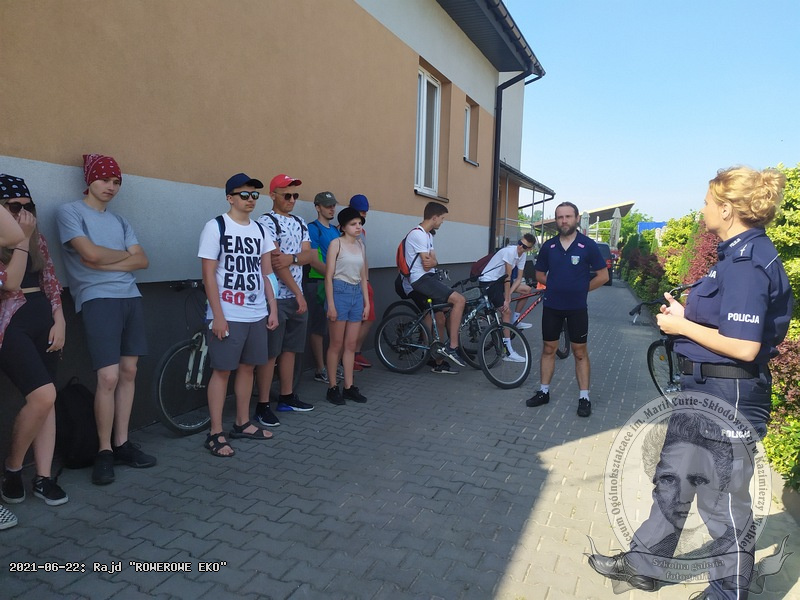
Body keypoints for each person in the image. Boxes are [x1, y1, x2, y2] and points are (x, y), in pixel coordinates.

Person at [592, 167, 793, 599]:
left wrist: (682, 327)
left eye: (707, 203)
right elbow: (725, 323)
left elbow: (743, 346)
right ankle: (645, 564)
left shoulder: (747, 262)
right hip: (703, 389)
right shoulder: (733, 256)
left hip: (729, 393)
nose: (702, 210)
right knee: (674, 479)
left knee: (722, 501)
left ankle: (728, 593)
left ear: (727, 209)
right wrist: (687, 316)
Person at [56, 154, 155, 485]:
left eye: (116, 182)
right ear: (89, 180)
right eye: (104, 179)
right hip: (97, 299)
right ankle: (104, 451)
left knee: (129, 372)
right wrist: (120, 257)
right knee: (108, 377)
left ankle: (122, 443)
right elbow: (90, 254)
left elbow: (142, 261)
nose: (111, 186)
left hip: (130, 297)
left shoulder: (121, 221)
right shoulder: (70, 212)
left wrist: (105, 261)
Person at [0, 176, 68, 525]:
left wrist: (60, 318)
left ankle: (43, 476)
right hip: (11, 324)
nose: (23, 214)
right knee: (42, 395)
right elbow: (10, 283)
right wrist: (21, 238)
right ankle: (13, 469)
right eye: (14, 207)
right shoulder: (13, 238)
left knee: (48, 399)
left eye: (29, 207)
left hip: (44, 320)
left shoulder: (35, 237)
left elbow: (50, 280)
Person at [198, 173, 279, 457]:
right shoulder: (216, 227)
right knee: (222, 371)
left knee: (248, 368)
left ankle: (242, 423)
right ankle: (215, 433)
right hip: (228, 313)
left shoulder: (261, 231)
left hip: (256, 312)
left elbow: (267, 273)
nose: (250, 200)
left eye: (254, 195)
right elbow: (208, 275)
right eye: (244, 194)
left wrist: (272, 307)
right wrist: (218, 315)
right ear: (230, 198)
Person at [525, 201, 608, 418]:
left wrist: (581, 289)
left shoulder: (587, 245)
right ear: (556, 220)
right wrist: (554, 285)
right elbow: (539, 273)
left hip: (577, 308)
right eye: (560, 217)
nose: (564, 221)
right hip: (552, 306)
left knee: (579, 353)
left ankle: (584, 397)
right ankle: (544, 392)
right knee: (548, 349)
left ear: (576, 218)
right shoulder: (549, 246)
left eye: (568, 216)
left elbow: (603, 276)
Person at [253, 174, 315, 426]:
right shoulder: (266, 222)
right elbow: (276, 263)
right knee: (271, 353)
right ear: (273, 195)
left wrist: (294, 258)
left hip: (296, 298)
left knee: (291, 350)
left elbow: (309, 255)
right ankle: (263, 404)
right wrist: (298, 292)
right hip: (276, 298)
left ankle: (287, 397)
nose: (291, 200)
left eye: (295, 195)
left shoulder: (300, 222)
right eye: (286, 195)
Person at [403, 202, 466, 369]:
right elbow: (427, 264)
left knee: (440, 317)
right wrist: (433, 261)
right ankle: (453, 347)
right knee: (459, 300)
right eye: (442, 218)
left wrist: (433, 262)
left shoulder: (428, 236)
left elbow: (434, 261)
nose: (442, 222)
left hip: (429, 277)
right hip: (421, 280)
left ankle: (436, 358)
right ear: (434, 217)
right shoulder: (417, 235)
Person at [324, 207, 369, 405]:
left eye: (359, 223)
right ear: (343, 227)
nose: (358, 227)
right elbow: (328, 276)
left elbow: (363, 277)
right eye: (353, 224)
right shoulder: (336, 244)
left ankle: (349, 386)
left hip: (356, 294)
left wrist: (367, 303)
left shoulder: (360, 245)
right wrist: (331, 304)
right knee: (336, 344)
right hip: (339, 292)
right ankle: (332, 387)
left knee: (350, 345)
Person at [479, 234, 537, 363]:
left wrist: (509, 294)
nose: (520, 247)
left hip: (499, 281)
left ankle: (515, 321)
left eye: (524, 246)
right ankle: (508, 351)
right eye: (520, 243)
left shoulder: (522, 255)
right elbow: (507, 277)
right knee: (506, 312)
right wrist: (507, 298)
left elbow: (518, 279)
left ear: (529, 249)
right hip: (489, 282)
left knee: (526, 290)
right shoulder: (510, 252)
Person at [305, 191, 341, 385]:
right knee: (319, 326)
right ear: (317, 207)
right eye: (327, 206)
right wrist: (333, 274)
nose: (332, 209)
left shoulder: (335, 230)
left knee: (334, 325)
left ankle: (332, 365)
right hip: (318, 282)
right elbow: (313, 260)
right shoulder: (313, 229)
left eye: (333, 205)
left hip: (335, 282)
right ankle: (320, 368)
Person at [349, 194, 375, 369]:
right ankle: (349, 355)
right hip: (352, 282)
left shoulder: (362, 232)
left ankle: (355, 353)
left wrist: (366, 279)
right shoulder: (344, 231)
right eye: (361, 211)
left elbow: (364, 258)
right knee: (355, 320)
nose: (364, 215)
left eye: (365, 212)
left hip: (364, 281)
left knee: (369, 316)